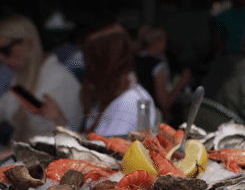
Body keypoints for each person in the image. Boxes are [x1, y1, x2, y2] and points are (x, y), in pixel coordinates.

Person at [0, 14, 83, 143]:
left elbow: (70, 137)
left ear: (28, 44)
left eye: (5, 50)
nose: (1, 57)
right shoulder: (18, 77)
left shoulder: (58, 78)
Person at [81, 23, 157, 136]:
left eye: (91, 61)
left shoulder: (136, 101)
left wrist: (60, 121)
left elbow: (100, 148)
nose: (86, 67)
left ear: (104, 63)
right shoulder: (117, 93)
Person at [134, 24, 190, 124]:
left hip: (136, 115)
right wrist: (182, 82)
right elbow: (164, 103)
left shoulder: (132, 61)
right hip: (153, 118)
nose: (166, 44)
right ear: (156, 41)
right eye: (165, 40)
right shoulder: (158, 67)